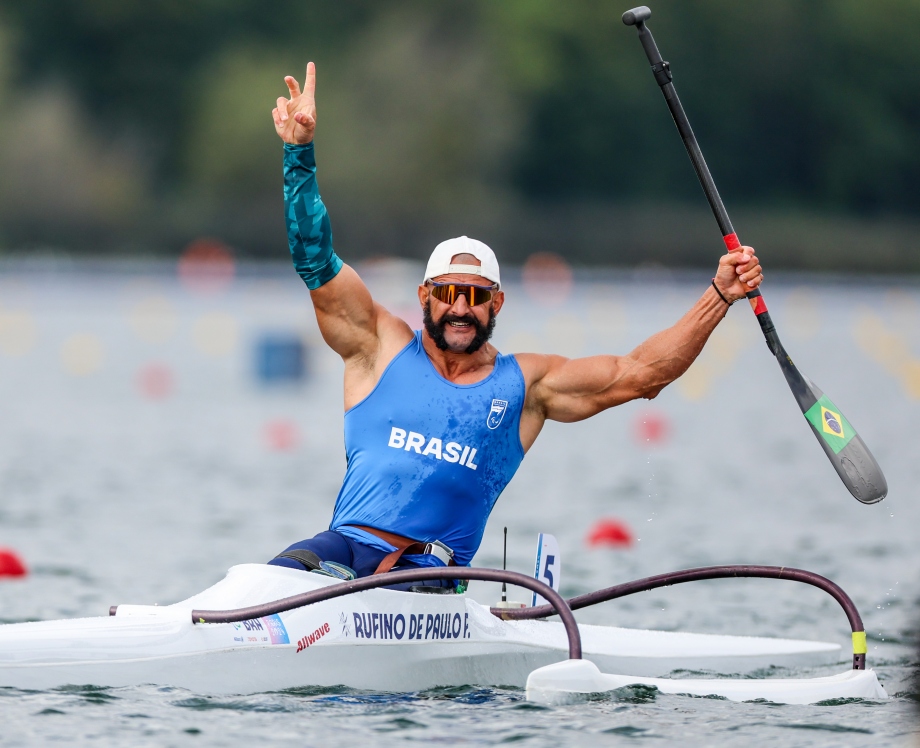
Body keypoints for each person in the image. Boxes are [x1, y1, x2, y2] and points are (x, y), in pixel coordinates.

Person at [266, 63, 764, 587]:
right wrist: (299, 154)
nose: (461, 308)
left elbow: (642, 374)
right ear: (424, 297)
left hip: (427, 573)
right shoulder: (377, 346)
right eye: (448, 294)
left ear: (497, 303)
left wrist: (719, 296)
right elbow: (316, 261)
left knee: (378, 582)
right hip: (343, 547)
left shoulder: (526, 386)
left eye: (476, 297)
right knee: (288, 568)